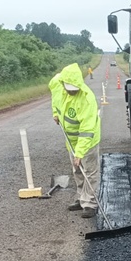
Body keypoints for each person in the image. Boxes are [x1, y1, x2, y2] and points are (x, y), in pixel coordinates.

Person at [49, 63, 102, 219]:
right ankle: (81, 198)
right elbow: (54, 95)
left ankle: (90, 204)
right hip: (70, 141)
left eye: (74, 89)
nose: (71, 92)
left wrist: (79, 153)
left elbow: (87, 130)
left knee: (90, 172)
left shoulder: (87, 99)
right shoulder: (58, 85)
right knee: (77, 170)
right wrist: (55, 113)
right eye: (69, 89)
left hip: (87, 141)